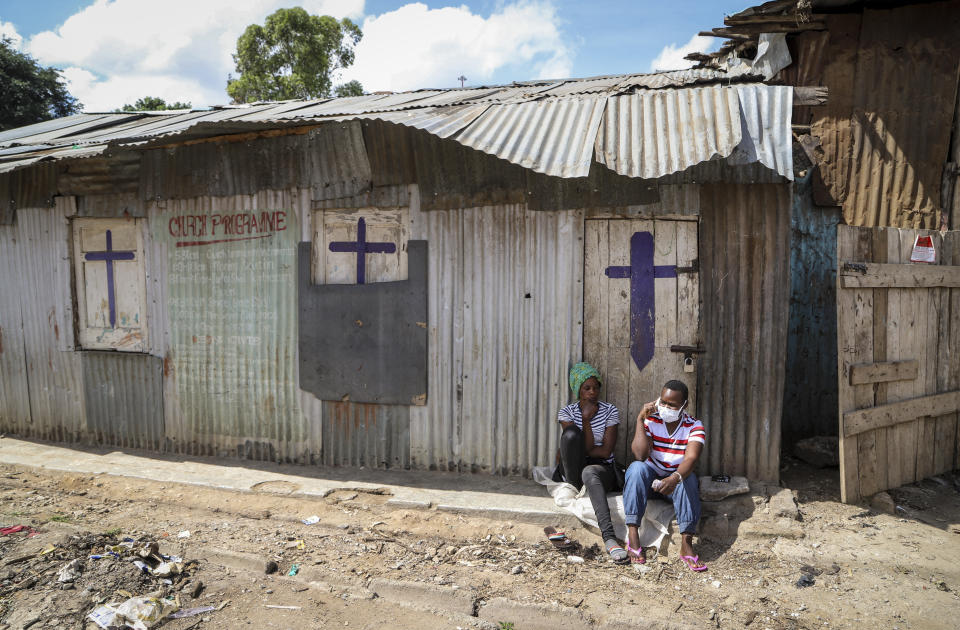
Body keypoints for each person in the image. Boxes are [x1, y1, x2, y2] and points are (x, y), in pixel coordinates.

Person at [622, 379, 707, 570]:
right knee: (636, 468)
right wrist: (640, 419)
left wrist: (675, 477)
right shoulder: (652, 420)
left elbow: (691, 458)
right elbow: (640, 454)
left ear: (684, 405)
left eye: (672, 405)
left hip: (675, 483)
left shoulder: (694, 426)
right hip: (651, 483)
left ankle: (686, 543)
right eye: (663, 402)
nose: (666, 407)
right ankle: (633, 535)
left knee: (688, 479)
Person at [552, 362, 628, 564]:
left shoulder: (610, 411)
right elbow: (573, 445)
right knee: (570, 434)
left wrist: (585, 423)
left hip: (599, 469)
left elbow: (605, 451)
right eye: (587, 388)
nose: (592, 392)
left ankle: (610, 538)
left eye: (596, 387)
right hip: (574, 469)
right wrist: (584, 420)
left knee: (589, 471)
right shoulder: (567, 412)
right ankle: (575, 484)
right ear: (578, 390)